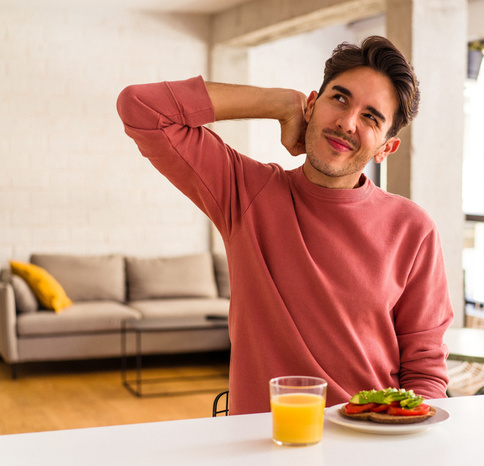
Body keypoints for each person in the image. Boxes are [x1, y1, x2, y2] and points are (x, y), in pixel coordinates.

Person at [117, 35, 453, 415]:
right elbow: (141, 107)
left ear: (385, 148)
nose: (346, 122)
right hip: (263, 442)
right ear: (312, 104)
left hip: (371, 439)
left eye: (370, 117)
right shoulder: (246, 193)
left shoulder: (413, 228)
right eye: (339, 99)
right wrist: (278, 103)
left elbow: (424, 368)